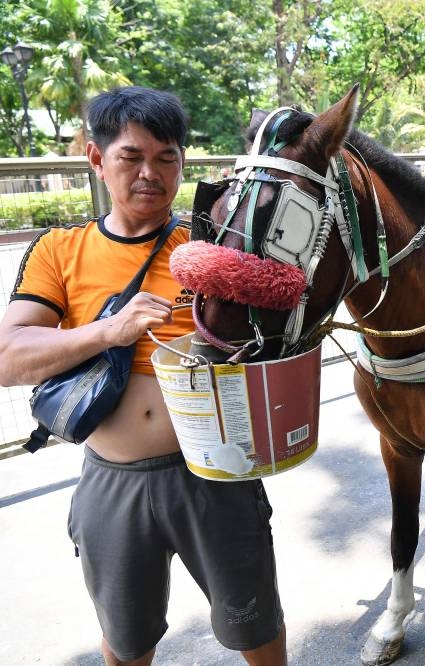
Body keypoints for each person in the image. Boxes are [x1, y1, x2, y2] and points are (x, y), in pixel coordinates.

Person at [0, 87, 287, 666]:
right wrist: (107, 332)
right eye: (132, 156)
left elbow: (278, 320)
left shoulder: (208, 247)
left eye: (167, 157)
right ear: (95, 159)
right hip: (113, 483)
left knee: (255, 626)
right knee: (127, 640)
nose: (150, 173)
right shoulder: (59, 250)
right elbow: (8, 356)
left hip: (215, 474)